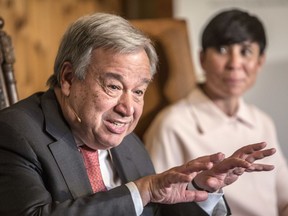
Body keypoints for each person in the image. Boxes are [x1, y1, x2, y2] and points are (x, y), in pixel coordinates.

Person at [0, 12, 275, 216]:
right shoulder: (16, 132)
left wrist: (201, 189)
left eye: (139, 91)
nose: (128, 108)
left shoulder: (125, 140)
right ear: (70, 78)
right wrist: (143, 190)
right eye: (114, 86)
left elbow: (153, 209)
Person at [144, 9, 288, 216]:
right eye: (222, 49)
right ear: (202, 59)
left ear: (260, 62)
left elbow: (284, 198)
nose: (234, 64)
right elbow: (157, 206)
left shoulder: (263, 121)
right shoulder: (172, 124)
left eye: (246, 51)